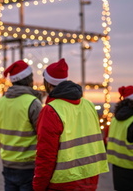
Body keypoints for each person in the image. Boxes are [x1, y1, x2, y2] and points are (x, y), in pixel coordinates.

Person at [33, 58, 109, 191]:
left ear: (48, 84)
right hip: (90, 178)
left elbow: (46, 155)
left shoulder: (51, 110)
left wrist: (38, 186)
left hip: (63, 182)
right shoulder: (88, 104)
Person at [0, 60, 43, 191]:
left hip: (8, 162)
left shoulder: (0, 103)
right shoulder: (33, 103)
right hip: (28, 164)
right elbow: (42, 133)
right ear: (29, 79)